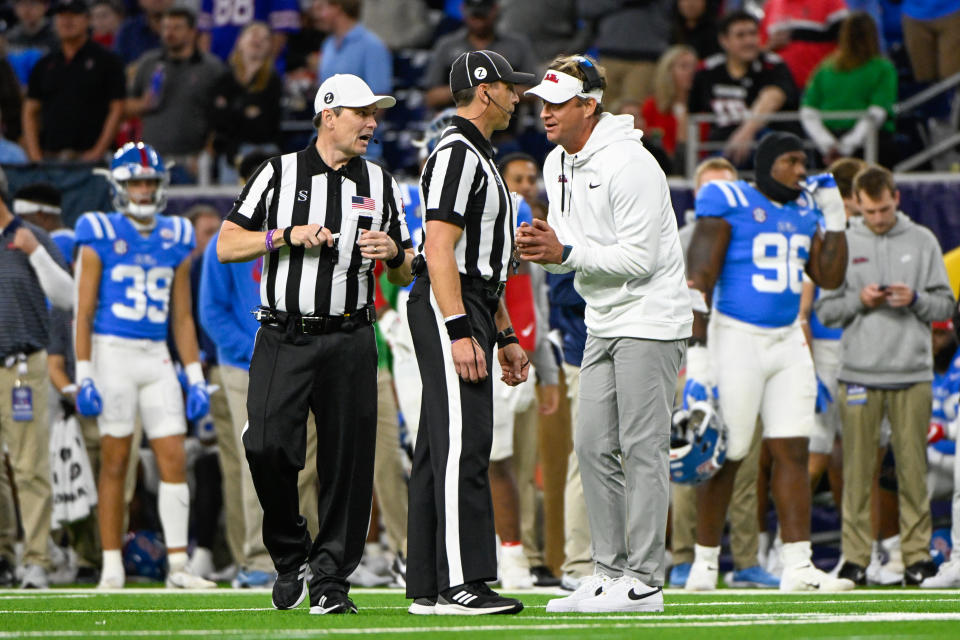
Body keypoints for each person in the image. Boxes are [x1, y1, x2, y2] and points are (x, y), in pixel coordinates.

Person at [216, 73, 413, 615]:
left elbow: (404, 272)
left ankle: (330, 582)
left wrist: (394, 252)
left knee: (348, 465)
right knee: (264, 445)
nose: (372, 123)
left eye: (375, 113)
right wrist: (283, 235)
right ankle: (288, 552)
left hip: (352, 334)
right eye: (361, 113)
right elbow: (226, 244)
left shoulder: (381, 181)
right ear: (329, 115)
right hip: (284, 333)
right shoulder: (277, 173)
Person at [517, 53, 692, 613]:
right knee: (592, 445)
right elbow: (575, 255)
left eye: (557, 103)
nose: (545, 113)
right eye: (542, 103)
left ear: (588, 106)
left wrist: (565, 252)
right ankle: (609, 572)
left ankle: (643, 580)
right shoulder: (555, 164)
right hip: (603, 319)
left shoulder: (632, 164)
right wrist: (550, 252)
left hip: (650, 317)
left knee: (642, 448)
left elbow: (639, 260)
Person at [682, 131, 852, 592]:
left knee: (793, 449)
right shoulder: (728, 196)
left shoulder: (804, 209)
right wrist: (697, 355)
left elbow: (831, 278)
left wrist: (834, 218)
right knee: (730, 452)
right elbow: (697, 279)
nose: (802, 171)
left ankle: (798, 565)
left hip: (786, 339)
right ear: (769, 164)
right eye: (793, 161)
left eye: (805, 162)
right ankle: (705, 562)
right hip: (735, 336)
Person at [405, 49, 533, 616]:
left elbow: (486, 266)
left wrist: (502, 333)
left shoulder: (478, 155)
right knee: (464, 442)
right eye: (510, 87)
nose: (518, 96)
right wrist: (460, 328)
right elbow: (439, 249)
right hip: (449, 302)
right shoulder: (457, 154)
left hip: (471, 300)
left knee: (441, 446)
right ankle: (464, 581)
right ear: (485, 90)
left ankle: (432, 584)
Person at [73, 142, 217, 590]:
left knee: (173, 456)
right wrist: (83, 371)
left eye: (149, 182)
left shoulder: (175, 233)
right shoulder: (97, 230)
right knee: (116, 461)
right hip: (112, 351)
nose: (142, 189)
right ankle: (112, 563)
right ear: (118, 186)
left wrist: (193, 375)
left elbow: (182, 317)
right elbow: (83, 308)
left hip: (156, 355)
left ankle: (178, 566)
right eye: (135, 181)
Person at [816, 165, 955, 587]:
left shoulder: (923, 240)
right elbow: (826, 310)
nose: (878, 218)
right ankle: (855, 560)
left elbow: (946, 306)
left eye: (884, 209)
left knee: (913, 471)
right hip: (858, 371)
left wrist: (915, 300)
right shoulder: (842, 243)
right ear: (858, 203)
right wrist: (859, 300)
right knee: (857, 472)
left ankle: (915, 558)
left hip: (912, 372)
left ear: (896, 198)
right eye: (871, 211)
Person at [671, 157, 779, 591]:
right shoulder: (676, 241)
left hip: (741, 359)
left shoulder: (755, 240)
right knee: (687, 460)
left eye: (726, 188)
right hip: (689, 360)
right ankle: (682, 557)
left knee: (745, 463)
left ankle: (748, 560)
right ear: (698, 197)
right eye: (710, 189)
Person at [0, 165, 73, 589]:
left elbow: (66, 296)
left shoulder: (31, 236)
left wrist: (35, 253)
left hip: (23, 366)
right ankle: (5, 555)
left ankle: (37, 559)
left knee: (29, 468)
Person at [127, 7, 226, 184]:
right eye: (166, 28)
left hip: (191, 160)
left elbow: (221, 118)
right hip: (151, 160)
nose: (169, 33)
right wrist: (143, 104)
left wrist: (208, 153)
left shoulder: (211, 68)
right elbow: (124, 106)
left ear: (192, 32)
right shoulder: (149, 63)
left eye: (176, 28)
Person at [688, 10, 798, 166]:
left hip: (769, 148)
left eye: (753, 34)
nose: (749, 41)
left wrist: (746, 133)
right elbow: (691, 112)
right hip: (722, 151)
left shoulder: (772, 65)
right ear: (724, 40)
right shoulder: (708, 71)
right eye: (740, 35)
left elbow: (773, 96)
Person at [22, 0, 126, 163]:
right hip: (51, 158)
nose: (67, 21)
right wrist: (35, 155)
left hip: (91, 158)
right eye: (62, 16)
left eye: (74, 15)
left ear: (87, 19)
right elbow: (30, 110)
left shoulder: (107, 61)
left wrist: (98, 151)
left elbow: (117, 108)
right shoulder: (45, 64)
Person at [800, 12, 898, 168]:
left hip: (841, 144)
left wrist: (829, 145)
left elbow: (808, 111)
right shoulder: (883, 68)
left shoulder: (825, 67)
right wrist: (843, 147)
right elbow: (877, 111)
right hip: (865, 144)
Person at [421, 0, 537, 109]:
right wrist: (467, 89)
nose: (479, 22)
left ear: (495, 10)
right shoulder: (446, 45)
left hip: (505, 124)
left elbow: (533, 94)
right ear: (463, 10)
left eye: (483, 16)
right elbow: (431, 98)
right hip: (458, 123)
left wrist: (498, 89)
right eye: (475, 16)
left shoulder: (517, 44)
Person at [211, 21, 283, 184]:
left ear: (270, 47)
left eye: (264, 38)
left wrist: (232, 110)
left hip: (264, 154)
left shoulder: (273, 81)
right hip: (230, 155)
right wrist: (246, 112)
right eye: (252, 35)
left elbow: (263, 126)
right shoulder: (224, 80)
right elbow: (218, 121)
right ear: (240, 42)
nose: (257, 40)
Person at [760, 0, 848, 89]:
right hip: (780, 89)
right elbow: (758, 50)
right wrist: (770, 45)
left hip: (819, 88)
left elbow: (848, 45)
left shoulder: (831, 2)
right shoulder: (771, 5)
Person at [642, 45, 698, 162]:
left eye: (694, 67)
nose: (691, 72)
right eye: (684, 67)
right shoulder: (652, 106)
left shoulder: (703, 107)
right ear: (668, 71)